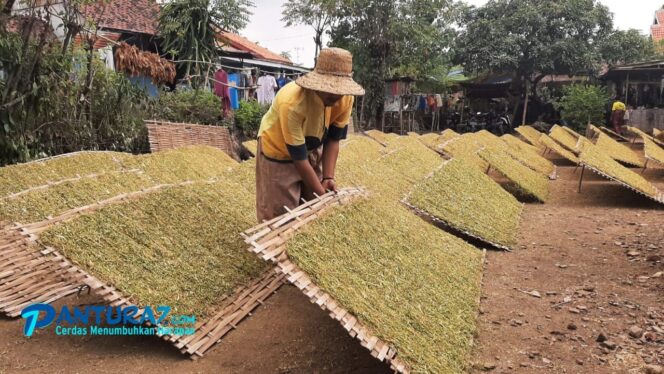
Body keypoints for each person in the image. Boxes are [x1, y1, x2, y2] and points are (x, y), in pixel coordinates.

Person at [255, 48, 365, 222]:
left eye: (340, 90)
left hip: (312, 146)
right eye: (330, 89)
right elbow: (298, 158)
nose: (336, 95)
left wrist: (328, 177)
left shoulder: (345, 99)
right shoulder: (292, 102)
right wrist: (322, 197)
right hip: (279, 151)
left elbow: (333, 140)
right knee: (281, 214)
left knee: (312, 210)